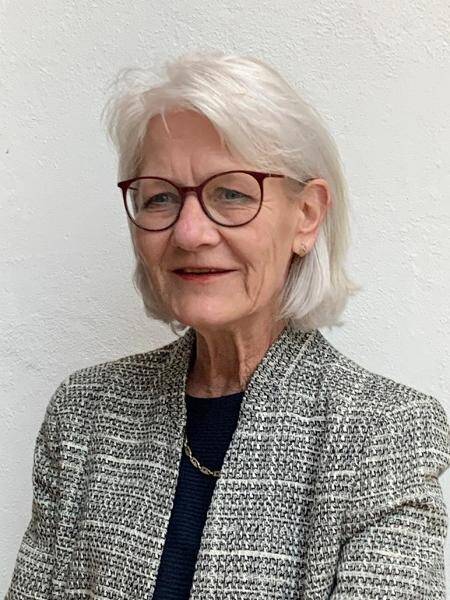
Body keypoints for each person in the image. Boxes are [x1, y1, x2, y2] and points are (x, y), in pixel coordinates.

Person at [6, 50, 450, 599]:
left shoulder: (385, 435)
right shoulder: (85, 414)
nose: (189, 233)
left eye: (232, 193)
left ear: (307, 216)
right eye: (160, 197)